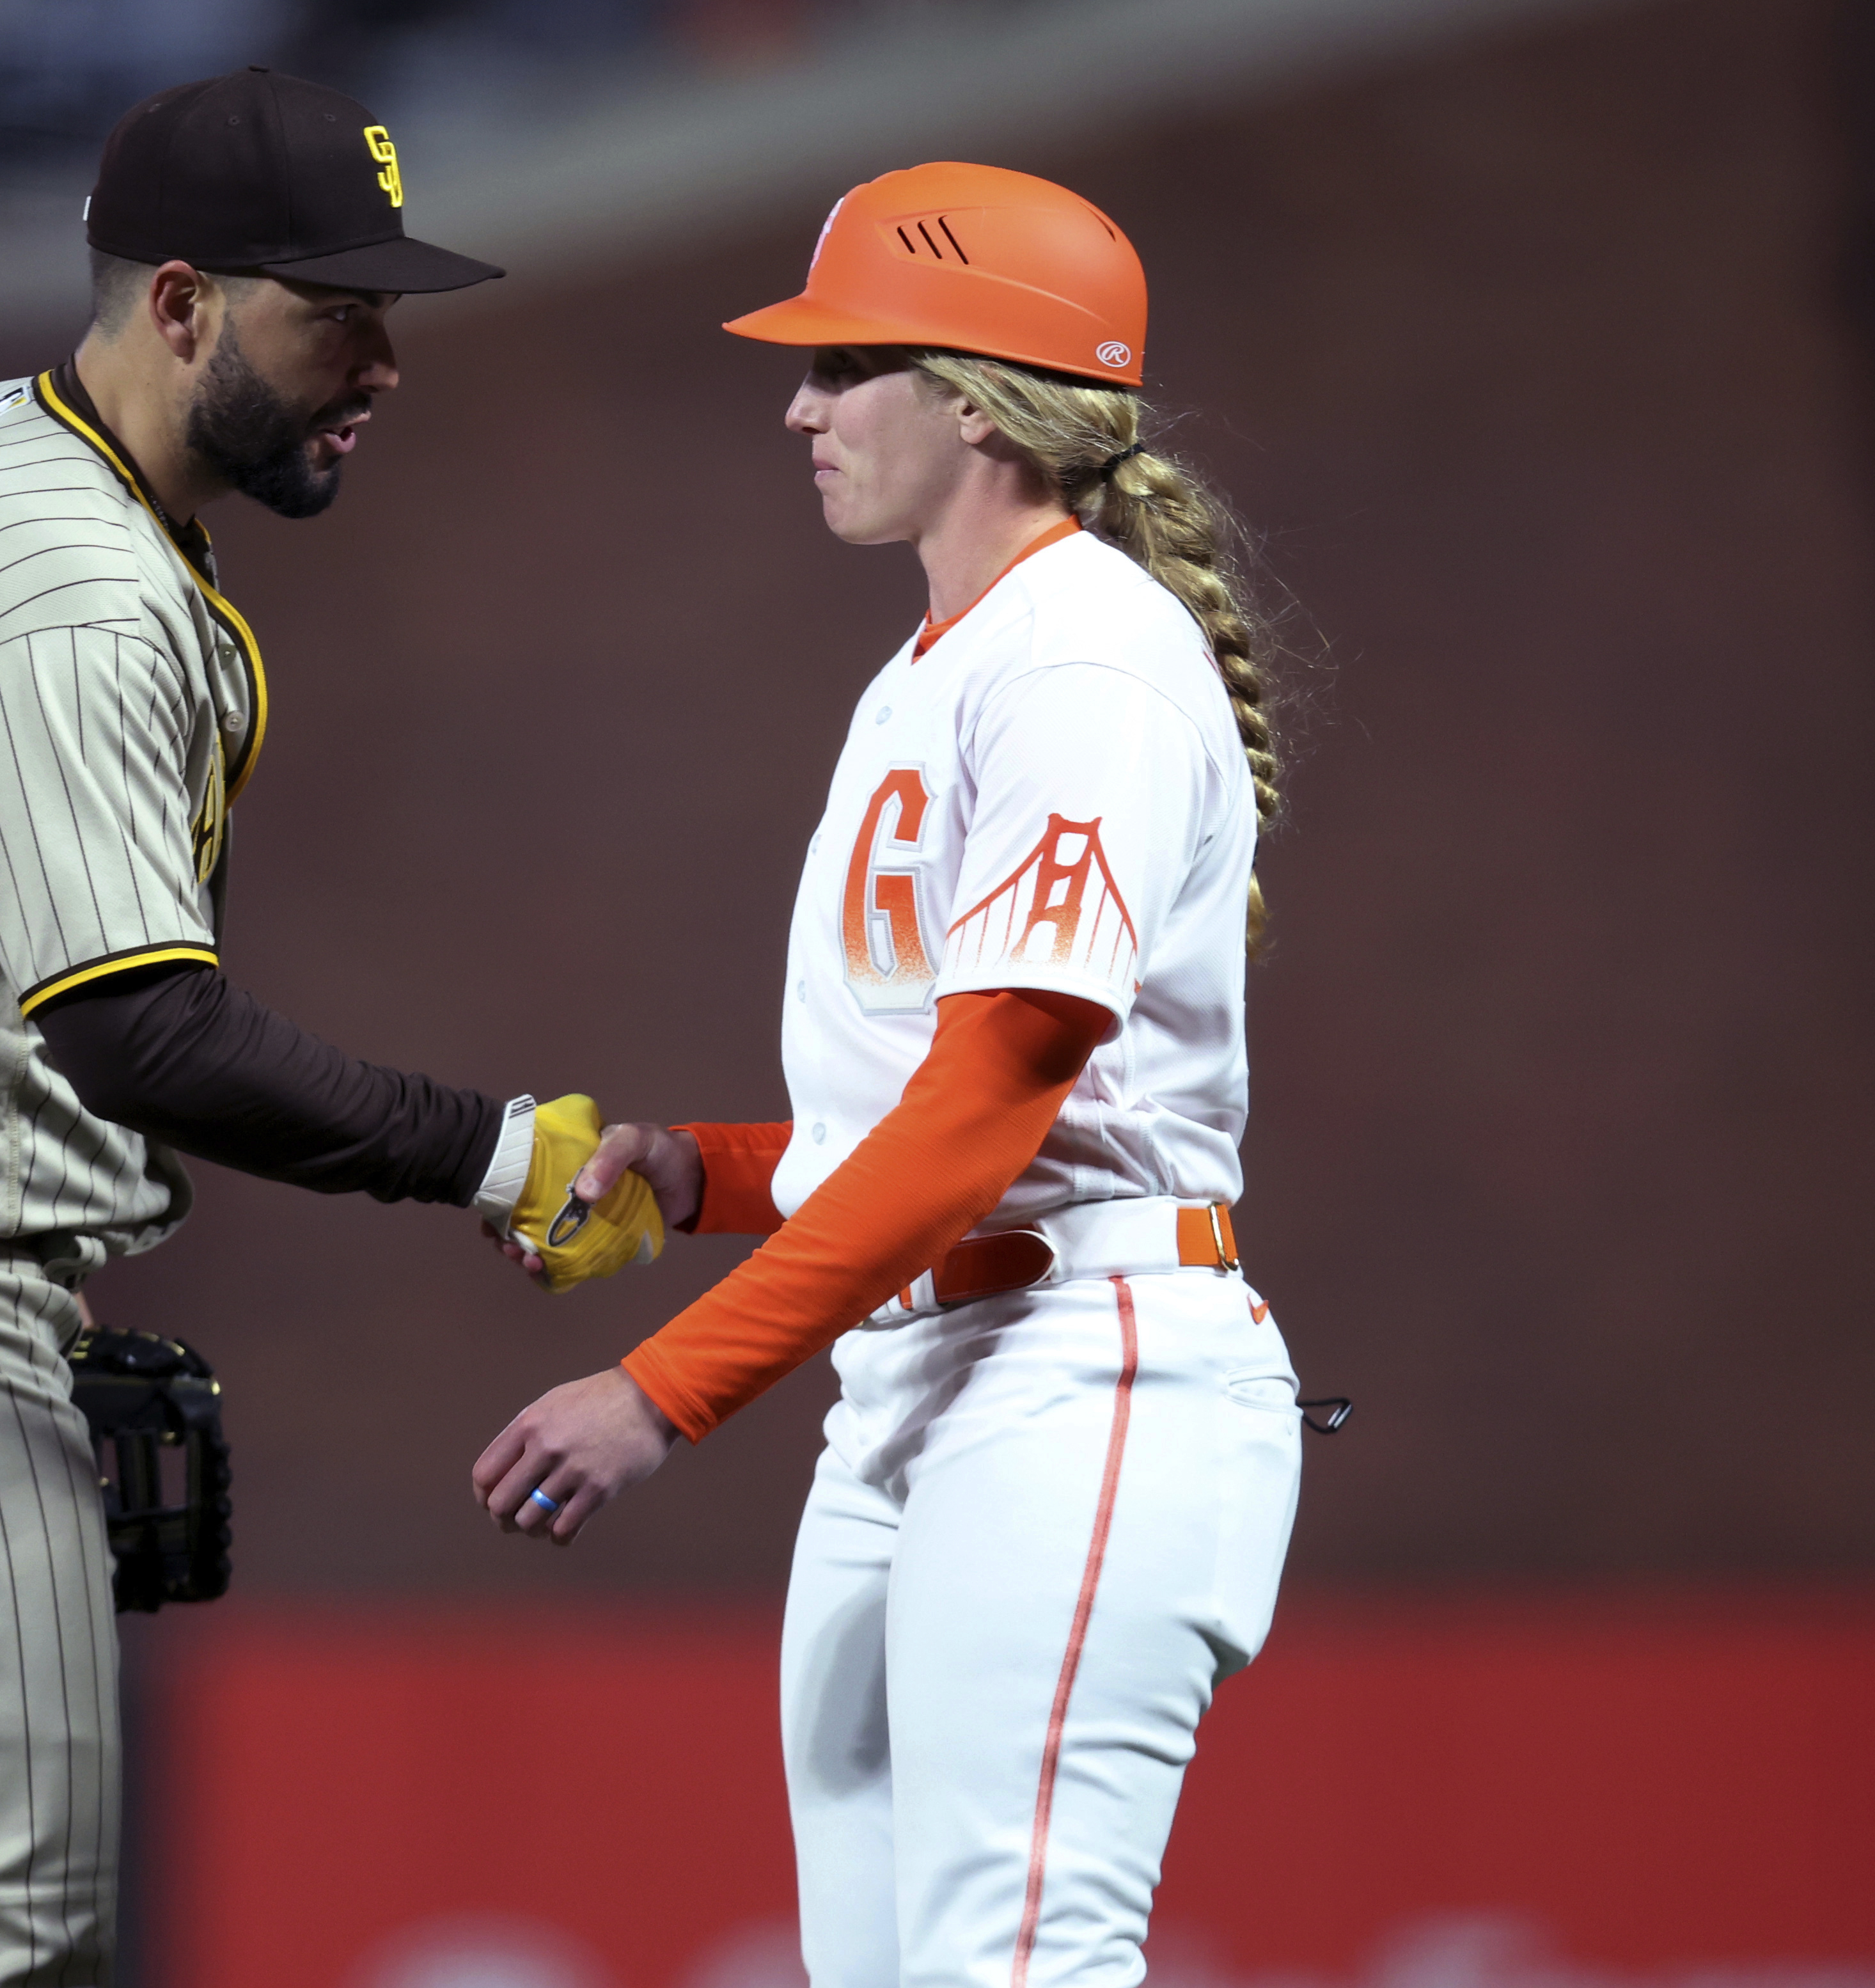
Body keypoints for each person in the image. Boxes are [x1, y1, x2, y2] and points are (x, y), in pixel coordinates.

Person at [0, 67, 655, 1988]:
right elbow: (145, 1038)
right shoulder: (71, 589)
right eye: (332, 310)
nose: (381, 358)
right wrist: (501, 1152)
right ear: (182, 304)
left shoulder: (1, 442)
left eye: (387, 309)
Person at [469, 162, 1306, 1985]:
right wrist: (699, 1170)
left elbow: (996, 1104)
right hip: (927, 1375)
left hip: (1082, 1370)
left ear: (983, 394)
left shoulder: (1086, 655)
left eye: (845, 364)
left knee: (1018, 1961)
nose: (801, 405)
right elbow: (916, 1129)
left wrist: (662, 1391)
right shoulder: (941, 662)